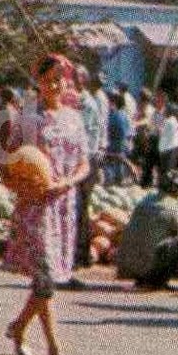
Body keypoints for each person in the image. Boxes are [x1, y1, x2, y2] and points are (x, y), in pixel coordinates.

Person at [1, 53, 90, 355]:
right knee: (45, 279)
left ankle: (19, 327)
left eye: (61, 78)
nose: (56, 84)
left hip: (63, 206)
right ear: (37, 81)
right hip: (35, 206)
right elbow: (8, 165)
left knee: (47, 279)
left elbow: (84, 163)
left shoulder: (74, 118)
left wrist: (66, 182)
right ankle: (54, 350)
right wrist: (21, 188)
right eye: (50, 78)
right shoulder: (26, 119)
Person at [112, 176, 178, 290]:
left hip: (126, 266)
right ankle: (157, 281)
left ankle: (141, 278)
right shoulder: (172, 207)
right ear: (177, 190)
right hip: (149, 268)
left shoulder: (145, 200)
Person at [74, 66, 106, 268]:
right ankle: (80, 254)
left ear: (83, 80)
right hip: (83, 159)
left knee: (80, 208)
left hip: (86, 160)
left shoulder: (86, 104)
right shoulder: (82, 101)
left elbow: (81, 136)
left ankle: (80, 255)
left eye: (75, 78)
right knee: (78, 208)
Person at [103, 90, 132, 186]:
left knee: (112, 164)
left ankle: (112, 182)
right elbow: (129, 132)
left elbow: (110, 129)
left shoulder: (114, 114)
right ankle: (119, 182)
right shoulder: (124, 114)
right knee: (119, 165)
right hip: (122, 143)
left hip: (115, 143)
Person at [155, 89, 178, 191]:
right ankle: (168, 187)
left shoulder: (168, 121)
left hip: (167, 149)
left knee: (165, 169)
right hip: (172, 148)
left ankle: (165, 187)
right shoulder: (175, 121)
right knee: (169, 169)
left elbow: (160, 131)